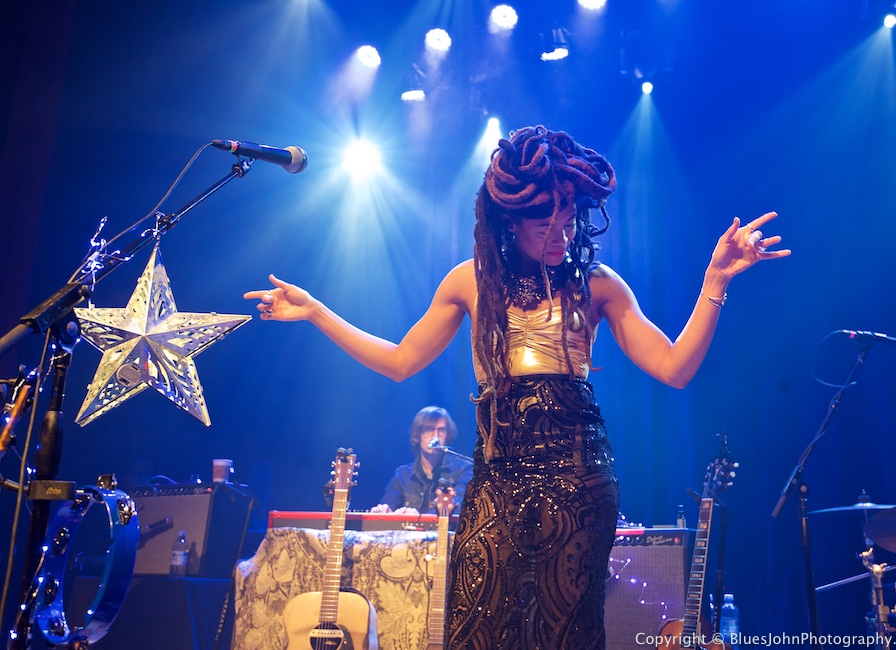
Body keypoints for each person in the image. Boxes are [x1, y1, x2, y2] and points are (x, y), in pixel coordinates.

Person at [244, 125, 789, 649]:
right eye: (545, 225)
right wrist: (317, 312)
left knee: (565, 632)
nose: (562, 234)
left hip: (579, 482)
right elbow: (400, 361)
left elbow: (675, 368)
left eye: (570, 219)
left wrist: (715, 281)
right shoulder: (468, 280)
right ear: (511, 221)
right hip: (497, 479)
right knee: (477, 626)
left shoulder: (597, 284)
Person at [369, 405, 474, 515]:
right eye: (429, 430)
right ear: (416, 436)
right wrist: (384, 509)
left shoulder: (463, 470)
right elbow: (389, 503)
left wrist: (419, 518)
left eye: (441, 430)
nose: (435, 437)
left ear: (448, 435)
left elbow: (458, 508)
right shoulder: (403, 474)